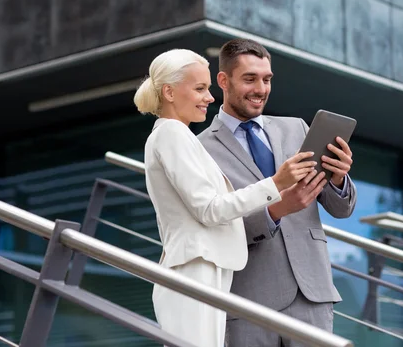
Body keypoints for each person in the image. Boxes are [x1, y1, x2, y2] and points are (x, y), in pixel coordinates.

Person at [133, 48, 317, 347]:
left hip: (205, 266)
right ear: (169, 92)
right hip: (194, 268)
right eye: (200, 89)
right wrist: (276, 183)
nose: (209, 97)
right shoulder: (172, 134)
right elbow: (209, 209)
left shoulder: (179, 136)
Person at [198, 39, 357, 346]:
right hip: (248, 302)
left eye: (267, 79)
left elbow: (341, 209)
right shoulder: (200, 150)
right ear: (223, 81)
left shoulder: (297, 128)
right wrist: (276, 210)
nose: (261, 89)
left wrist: (338, 179)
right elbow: (211, 226)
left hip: (312, 296)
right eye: (249, 79)